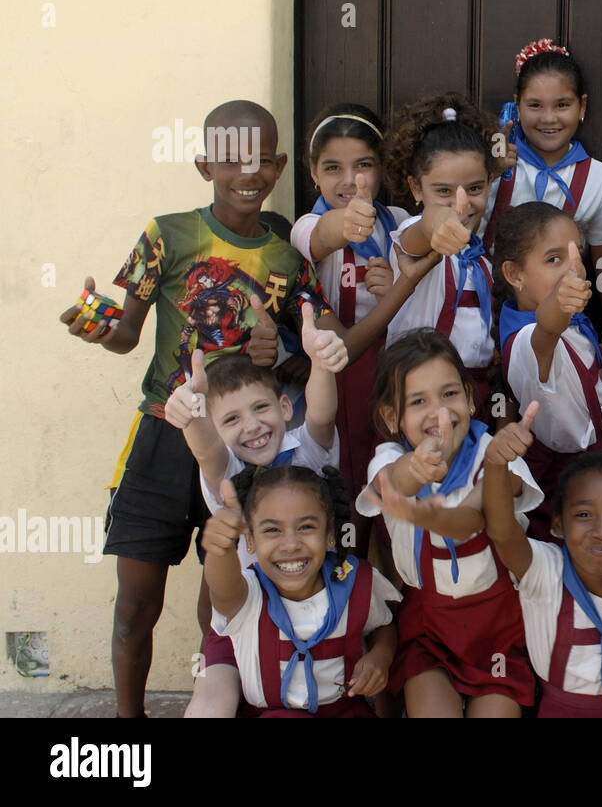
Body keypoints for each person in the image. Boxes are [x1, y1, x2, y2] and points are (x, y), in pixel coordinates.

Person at [57, 99, 332, 717]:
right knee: (136, 601)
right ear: (204, 164)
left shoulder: (287, 258)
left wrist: (286, 351)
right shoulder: (168, 233)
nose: (248, 172)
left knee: (225, 593)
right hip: (162, 436)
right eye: (231, 158)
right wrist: (99, 328)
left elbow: (321, 341)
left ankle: (219, 702)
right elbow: (128, 332)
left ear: (280, 164)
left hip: (243, 448)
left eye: (262, 158)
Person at [166, 316, 346, 715]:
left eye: (261, 407)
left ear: (284, 407)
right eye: (230, 419)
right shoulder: (225, 470)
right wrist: (192, 414)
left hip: (310, 614)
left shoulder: (307, 449)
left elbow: (321, 414)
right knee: (212, 699)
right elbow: (207, 451)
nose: (251, 426)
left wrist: (319, 363)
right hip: (240, 615)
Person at [358, 328, 542, 716]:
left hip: (499, 633)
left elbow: (473, 518)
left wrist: (497, 463)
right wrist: (417, 467)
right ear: (392, 417)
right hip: (428, 632)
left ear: (471, 401)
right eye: (418, 401)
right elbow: (390, 483)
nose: (439, 412)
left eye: (449, 394)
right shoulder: (389, 458)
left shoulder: (494, 455)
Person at [291, 103, 431, 555]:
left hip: (393, 375)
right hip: (339, 379)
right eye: (333, 168)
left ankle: (393, 588)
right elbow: (326, 235)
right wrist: (349, 222)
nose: (350, 181)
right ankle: (351, 582)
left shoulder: (396, 220)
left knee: (394, 479)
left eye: (363, 166)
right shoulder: (307, 224)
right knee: (347, 485)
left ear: (382, 169)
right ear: (313, 173)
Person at [202, 465, 400, 717]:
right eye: (272, 530)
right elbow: (222, 591)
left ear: (329, 533)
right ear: (250, 540)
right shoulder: (249, 594)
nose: (291, 544)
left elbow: (382, 625)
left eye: (306, 527)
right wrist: (220, 549)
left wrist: (381, 655)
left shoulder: (355, 581)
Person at [493, 202, 602, 540]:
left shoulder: (577, 324)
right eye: (553, 260)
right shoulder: (522, 340)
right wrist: (561, 302)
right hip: (557, 478)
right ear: (515, 274)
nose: (571, 271)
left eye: (577, 256)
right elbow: (545, 330)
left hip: (596, 458)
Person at [485, 444, 602, 717]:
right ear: (558, 524)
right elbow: (503, 532)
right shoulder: (546, 570)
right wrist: (496, 464)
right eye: (583, 515)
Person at [384, 93, 498, 415]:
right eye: (443, 191)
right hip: (418, 395)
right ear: (416, 189)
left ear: (490, 183)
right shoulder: (414, 234)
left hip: (475, 394)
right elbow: (421, 233)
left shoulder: (483, 262)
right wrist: (437, 222)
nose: (461, 203)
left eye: (475, 189)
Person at [481, 39, 602, 289]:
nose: (548, 118)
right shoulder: (494, 163)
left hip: (561, 312)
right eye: (535, 105)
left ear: (582, 106)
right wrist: (489, 176)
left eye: (562, 105)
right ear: (517, 106)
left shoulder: (600, 179)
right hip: (484, 311)